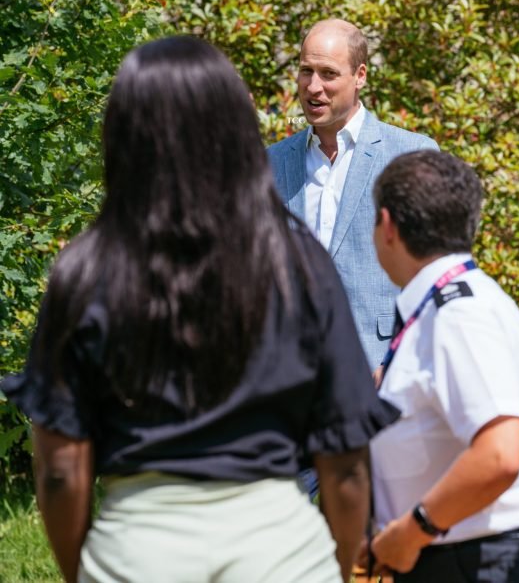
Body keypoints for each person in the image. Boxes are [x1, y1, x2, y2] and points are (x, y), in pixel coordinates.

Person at [0, 36, 399, 582]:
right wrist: (327, 564)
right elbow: (346, 457)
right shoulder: (296, 258)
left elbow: (61, 468)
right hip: (279, 549)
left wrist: (82, 570)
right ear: (234, 128)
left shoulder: (87, 269)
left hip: (139, 548)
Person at [362, 150, 519, 582]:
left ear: (387, 226)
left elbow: (500, 453)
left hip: (483, 562)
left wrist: (411, 531)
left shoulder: (458, 316)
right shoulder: (450, 306)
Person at [267, 18, 438, 372]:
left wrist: (397, 365)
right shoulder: (270, 163)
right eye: (305, 71)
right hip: (292, 375)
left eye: (328, 74)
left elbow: (434, 274)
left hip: (380, 372)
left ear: (360, 75)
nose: (313, 87)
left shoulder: (411, 155)